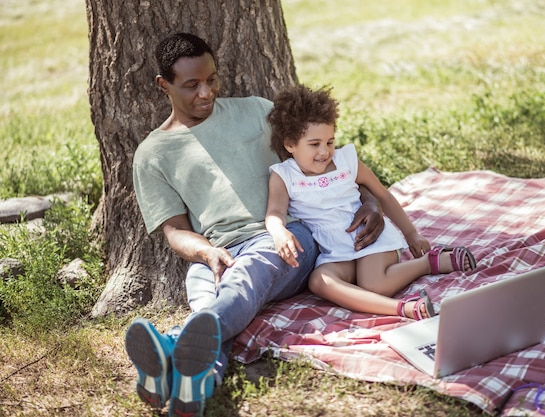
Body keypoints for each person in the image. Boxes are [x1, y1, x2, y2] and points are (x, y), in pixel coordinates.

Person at [124, 33, 385, 417]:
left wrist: (371, 200)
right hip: (216, 253)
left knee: (239, 285)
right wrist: (206, 252)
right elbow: (174, 231)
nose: (206, 92)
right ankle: (193, 385)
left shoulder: (257, 112)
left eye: (211, 79)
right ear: (164, 85)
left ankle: (172, 346)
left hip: (282, 238)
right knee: (216, 309)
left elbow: (327, 164)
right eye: (191, 85)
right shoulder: (152, 154)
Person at [265, 85, 477, 320]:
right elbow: (275, 211)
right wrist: (279, 232)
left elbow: (382, 194)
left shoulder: (346, 162)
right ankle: (403, 308)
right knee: (319, 281)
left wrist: (411, 233)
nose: (324, 152)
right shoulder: (284, 176)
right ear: (290, 144)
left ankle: (428, 265)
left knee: (374, 283)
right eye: (314, 144)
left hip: (370, 239)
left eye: (330, 142)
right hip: (335, 251)